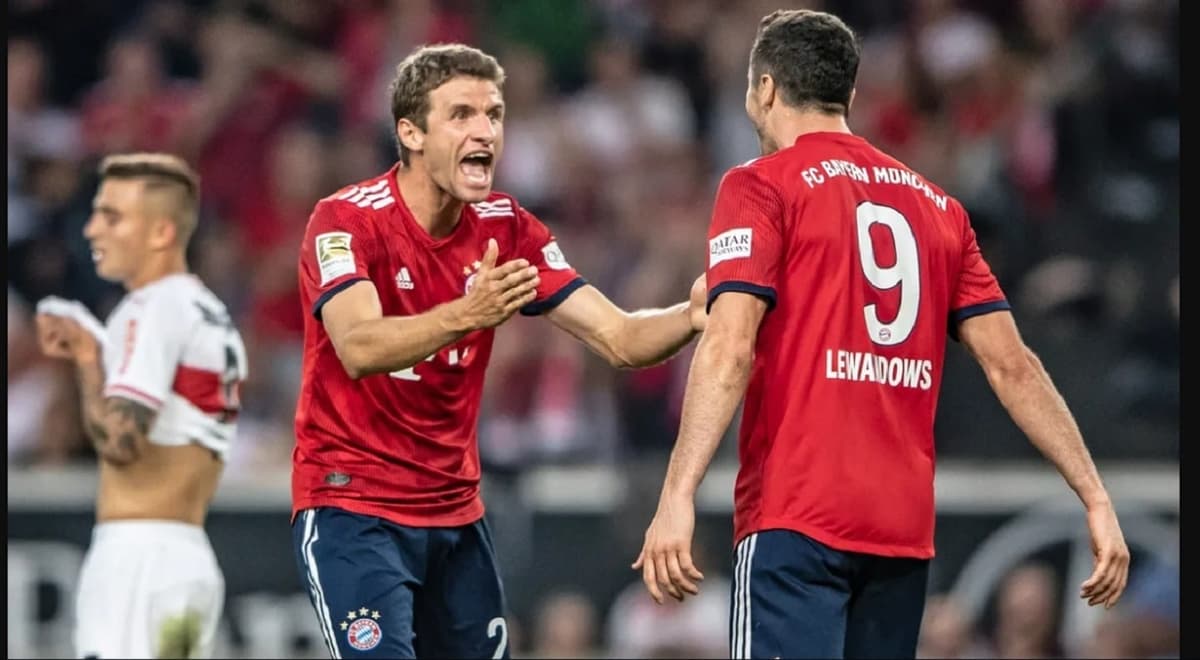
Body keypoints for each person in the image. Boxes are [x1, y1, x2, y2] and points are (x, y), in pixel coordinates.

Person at [633, 9, 1130, 659]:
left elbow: (728, 346)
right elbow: (1014, 367)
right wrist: (1095, 496)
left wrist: (678, 495)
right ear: (849, 94)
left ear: (765, 88)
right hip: (899, 534)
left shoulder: (760, 186)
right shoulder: (938, 207)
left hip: (796, 515)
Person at [291, 43, 706, 659]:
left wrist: (693, 314)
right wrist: (470, 313)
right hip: (356, 507)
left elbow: (619, 337)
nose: (485, 131)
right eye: (461, 114)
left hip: (455, 515)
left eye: (494, 114)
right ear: (411, 133)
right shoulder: (346, 220)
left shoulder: (506, 228)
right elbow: (357, 345)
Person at [35, 153, 247, 659]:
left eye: (111, 216)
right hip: (186, 561)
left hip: (138, 561)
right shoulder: (210, 312)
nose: (92, 229)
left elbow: (121, 441)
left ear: (161, 232)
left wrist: (87, 359)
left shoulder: (151, 308)